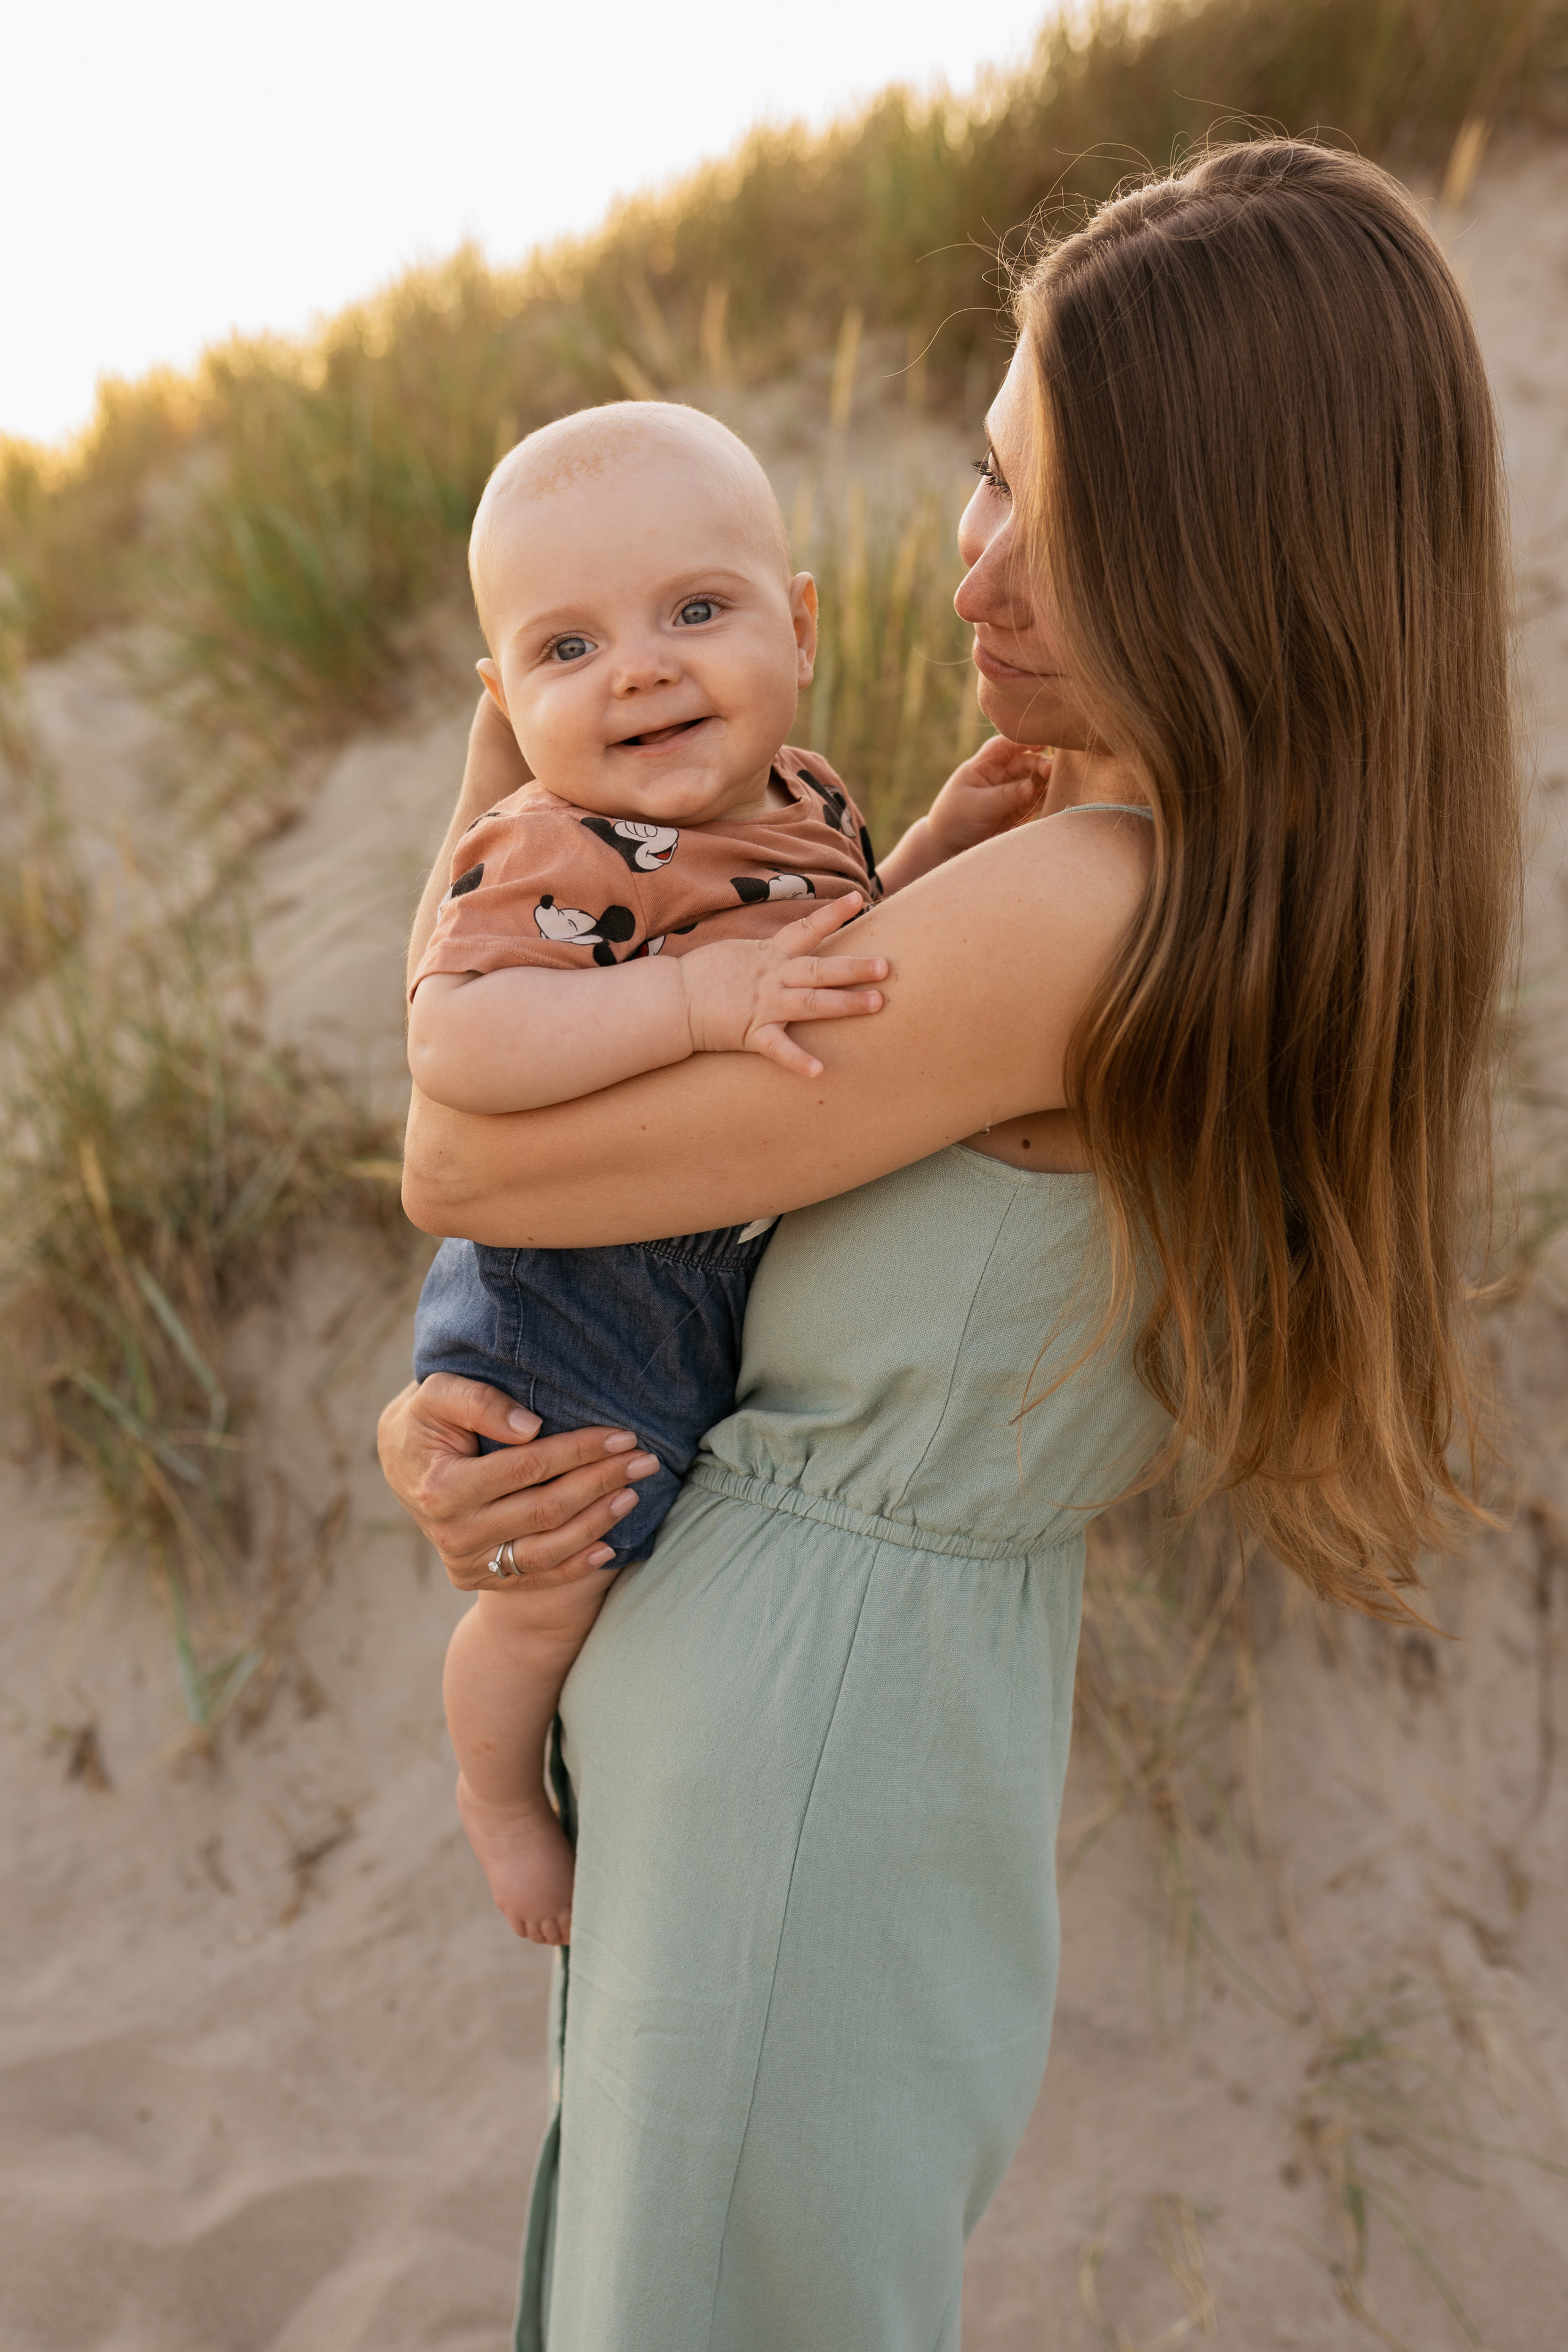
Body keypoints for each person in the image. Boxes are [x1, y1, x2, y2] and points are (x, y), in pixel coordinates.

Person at [378, 140, 1517, 2350]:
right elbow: (741, 1245)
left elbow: (466, 1156)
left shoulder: (1088, 906)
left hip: (794, 1755)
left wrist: (515, 756)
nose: (967, 560)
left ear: (1219, 550)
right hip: (859, 1724)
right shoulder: (1225, 872)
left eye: (1045, 506)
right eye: (978, 469)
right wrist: (481, 1415)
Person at [410, 401, 1049, 1945]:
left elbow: (830, 972)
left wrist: (931, 856)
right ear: (506, 700)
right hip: (573, 1303)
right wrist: (688, 1003)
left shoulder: (811, 805)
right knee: (548, 1583)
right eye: (567, 651)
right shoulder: (550, 845)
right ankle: (497, 1796)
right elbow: (457, 1046)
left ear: (799, 624)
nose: (638, 668)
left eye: (695, 611)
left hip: (716, 1285)